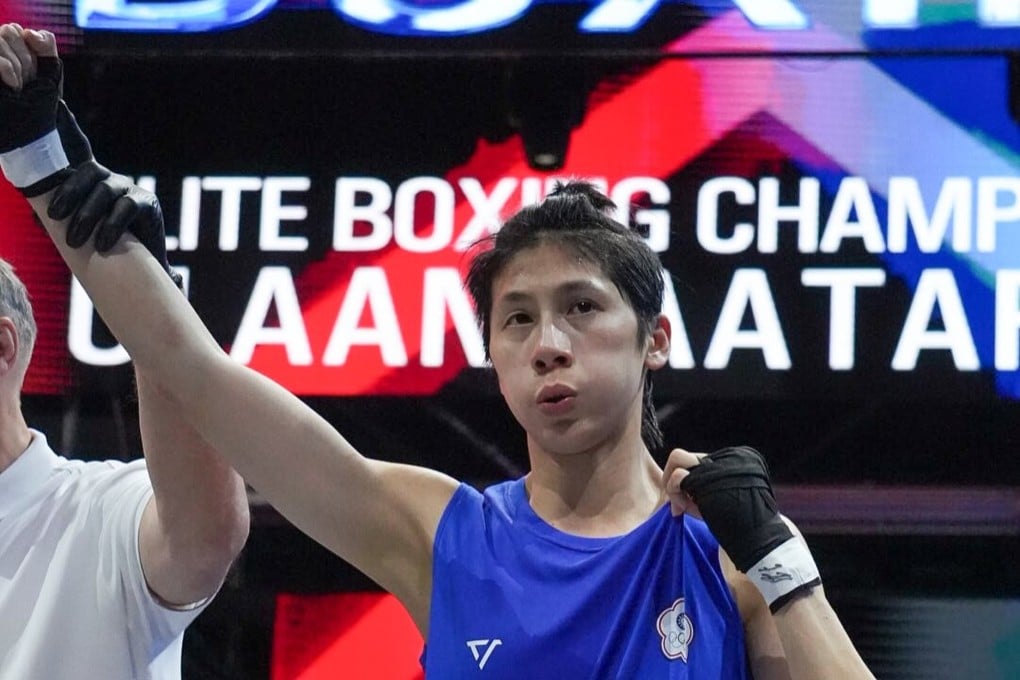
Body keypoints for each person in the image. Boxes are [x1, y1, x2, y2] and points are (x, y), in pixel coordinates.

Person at [0, 25, 874, 678]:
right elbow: (197, 375)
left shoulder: (727, 551)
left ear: (656, 340)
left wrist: (775, 557)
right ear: (491, 353)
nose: (549, 345)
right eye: (518, 320)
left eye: (580, 308)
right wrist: (44, 165)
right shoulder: (440, 532)